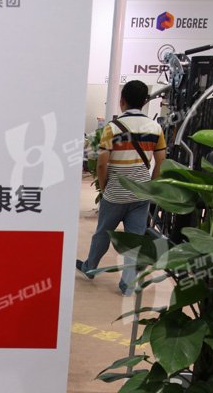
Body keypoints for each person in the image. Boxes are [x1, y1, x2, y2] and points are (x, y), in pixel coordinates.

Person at [76, 80, 166, 296]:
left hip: (115, 192)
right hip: (141, 192)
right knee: (135, 239)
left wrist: (105, 186)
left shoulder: (112, 128)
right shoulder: (155, 128)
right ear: (145, 102)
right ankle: (128, 284)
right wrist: (150, 188)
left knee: (103, 233)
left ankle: (90, 267)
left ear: (122, 100)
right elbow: (161, 162)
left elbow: (101, 163)